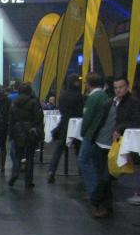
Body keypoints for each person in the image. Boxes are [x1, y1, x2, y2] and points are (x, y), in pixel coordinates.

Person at [90, 76, 140, 218]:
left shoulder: (133, 103)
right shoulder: (110, 102)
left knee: (107, 177)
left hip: (117, 146)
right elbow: (101, 120)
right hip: (101, 142)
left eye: (121, 87)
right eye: (116, 87)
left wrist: (120, 128)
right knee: (103, 176)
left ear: (127, 87)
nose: (118, 90)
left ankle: (95, 200)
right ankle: (106, 207)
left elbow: (136, 121)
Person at [77, 72, 111, 205]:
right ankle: (98, 192)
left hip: (90, 134)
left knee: (83, 160)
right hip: (100, 135)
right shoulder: (104, 96)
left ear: (88, 84)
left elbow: (87, 117)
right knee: (96, 164)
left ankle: (94, 192)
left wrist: (83, 132)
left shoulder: (92, 98)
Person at [47, 75, 83, 183]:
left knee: (58, 150)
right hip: (76, 125)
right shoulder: (78, 95)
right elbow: (80, 111)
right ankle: (82, 172)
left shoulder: (63, 95)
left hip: (64, 124)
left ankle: (51, 171)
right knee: (79, 150)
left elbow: (61, 110)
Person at [8, 83, 44, 189]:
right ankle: (28, 181)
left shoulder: (14, 102)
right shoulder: (34, 102)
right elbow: (38, 118)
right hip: (30, 132)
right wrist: (40, 133)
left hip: (17, 131)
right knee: (30, 157)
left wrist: (11, 133)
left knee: (17, 156)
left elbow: (11, 119)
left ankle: (14, 175)